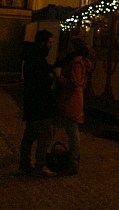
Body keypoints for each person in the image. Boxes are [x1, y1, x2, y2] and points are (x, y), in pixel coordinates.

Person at [19, 30, 56, 176]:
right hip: (39, 103)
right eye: (49, 43)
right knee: (45, 133)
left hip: (32, 102)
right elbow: (40, 81)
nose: (51, 45)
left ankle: (24, 163)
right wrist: (50, 77)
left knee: (30, 134)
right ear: (43, 43)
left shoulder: (32, 57)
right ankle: (40, 165)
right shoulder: (37, 59)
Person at [55, 37, 93, 175]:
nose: (68, 49)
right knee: (71, 128)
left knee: (72, 129)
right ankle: (73, 161)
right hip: (73, 96)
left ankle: (73, 163)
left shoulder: (77, 62)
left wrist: (59, 77)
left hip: (73, 97)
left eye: (70, 47)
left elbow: (74, 82)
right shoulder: (78, 61)